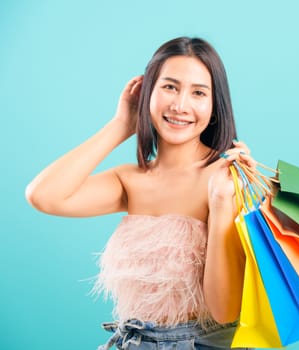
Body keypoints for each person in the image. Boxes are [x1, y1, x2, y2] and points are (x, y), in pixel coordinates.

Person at [25, 37, 254, 350]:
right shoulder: (130, 180)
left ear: (214, 107)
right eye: (169, 87)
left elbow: (224, 310)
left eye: (198, 92)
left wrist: (221, 202)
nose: (180, 105)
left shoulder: (227, 180)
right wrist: (121, 125)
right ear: (148, 93)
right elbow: (44, 196)